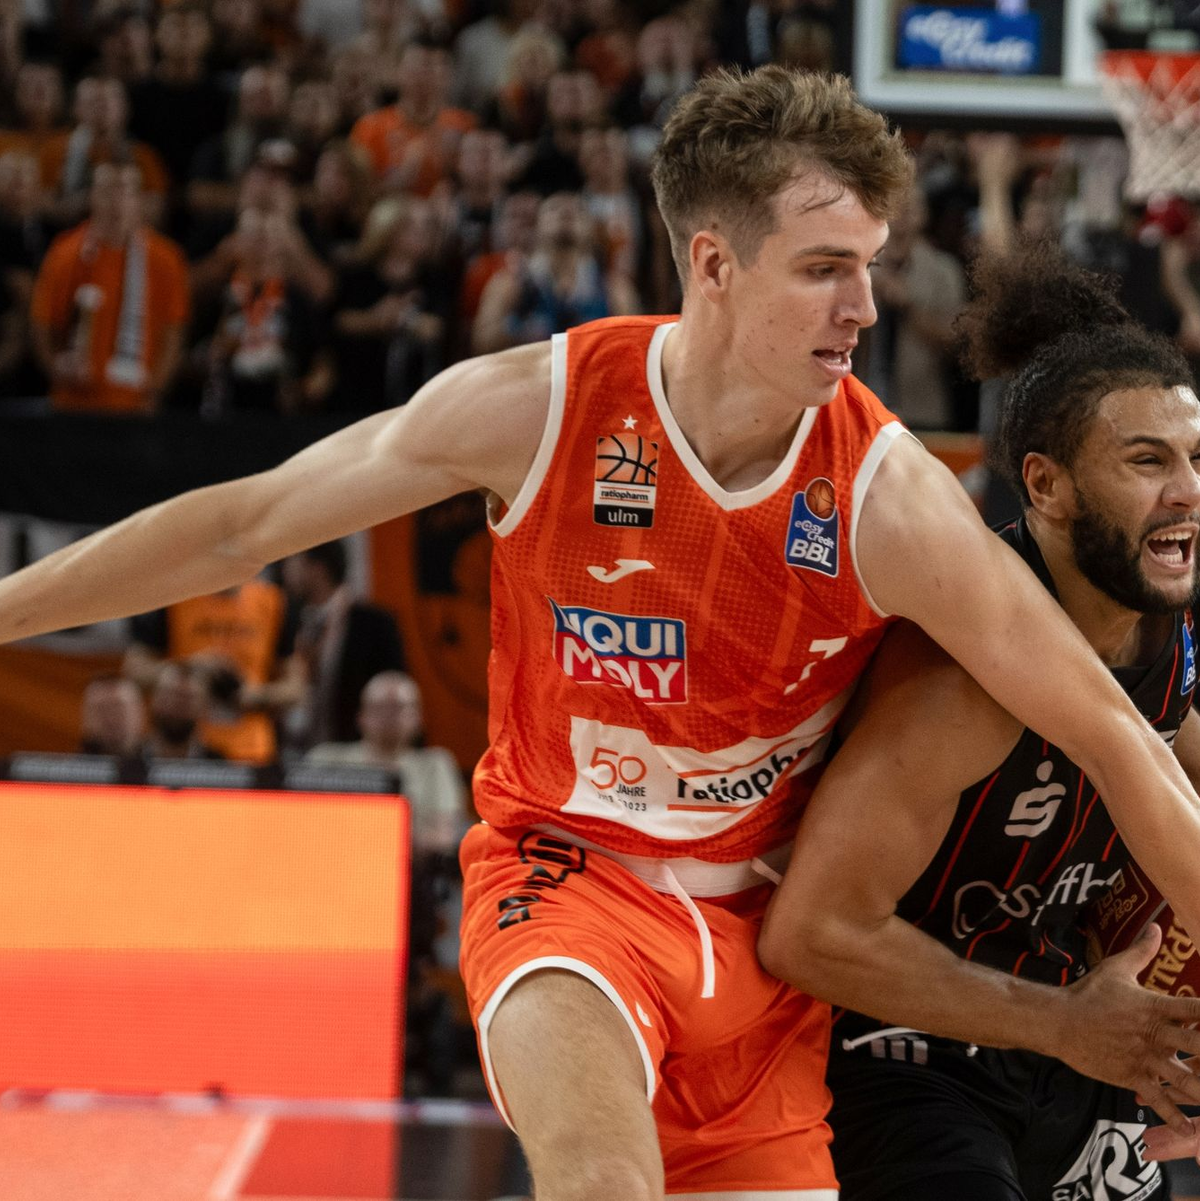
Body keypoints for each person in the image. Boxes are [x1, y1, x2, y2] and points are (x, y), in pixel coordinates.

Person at [6, 66, 1200, 1199]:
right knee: (601, 1175)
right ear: (714, 262)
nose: (867, 307)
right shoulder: (539, 408)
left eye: (871, 265)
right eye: (826, 268)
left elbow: (1112, 732)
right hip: (567, 882)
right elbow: (241, 525)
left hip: (761, 953)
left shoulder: (888, 499)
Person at [758, 245, 1200, 1199]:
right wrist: (1062, 1022)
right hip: (909, 1050)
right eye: (1148, 461)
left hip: (1077, 1036)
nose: (1189, 490)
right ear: (1045, 486)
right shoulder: (961, 675)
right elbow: (811, 934)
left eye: (1197, 458)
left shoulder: (1169, 637)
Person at [29, 162, 190, 414]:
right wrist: (55, 367)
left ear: (139, 200)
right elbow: (42, 323)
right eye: (106, 191)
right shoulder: (65, 253)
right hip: (72, 403)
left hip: (135, 405)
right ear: (92, 197)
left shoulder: (165, 259)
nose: (116, 202)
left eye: (124, 191)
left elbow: (172, 333)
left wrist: (155, 392)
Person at [306, 670, 465, 853]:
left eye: (398, 708)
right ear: (361, 716)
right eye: (380, 707)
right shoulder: (325, 759)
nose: (389, 716)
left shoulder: (435, 764)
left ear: (418, 718)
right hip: (332, 861)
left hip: (409, 867)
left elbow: (443, 836)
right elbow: (303, 824)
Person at [281, 538, 406, 747]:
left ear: (317, 568)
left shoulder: (374, 624)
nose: (285, 570)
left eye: (293, 560)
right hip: (292, 752)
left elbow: (395, 691)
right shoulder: (288, 620)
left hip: (353, 753)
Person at [78, 674, 144, 758]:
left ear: (139, 712)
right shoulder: (67, 765)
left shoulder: (158, 761)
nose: (111, 718)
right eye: (102, 709)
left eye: (118, 708)